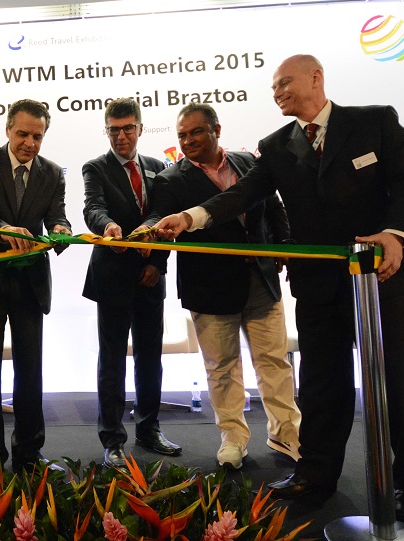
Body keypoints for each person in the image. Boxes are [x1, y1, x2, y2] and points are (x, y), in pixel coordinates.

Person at [155, 54, 404, 524]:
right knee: (322, 388)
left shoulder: (374, 122)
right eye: (273, 87)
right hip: (319, 288)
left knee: (401, 385)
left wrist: (396, 234)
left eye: (285, 82)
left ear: (316, 78)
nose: (277, 92)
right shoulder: (277, 145)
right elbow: (240, 196)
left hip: (383, 281)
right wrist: (190, 218)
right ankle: (315, 474)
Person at [152, 103, 301, 470]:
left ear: (216, 129)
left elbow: (274, 205)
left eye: (195, 132)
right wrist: (148, 235)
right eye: (182, 135)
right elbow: (158, 218)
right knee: (221, 368)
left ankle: (287, 435)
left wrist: (284, 245)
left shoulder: (249, 162)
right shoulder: (171, 179)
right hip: (210, 288)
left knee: (275, 364)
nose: (187, 141)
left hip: (261, 282)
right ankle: (233, 438)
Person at [0, 99, 72, 473]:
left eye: (37, 136)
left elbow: (57, 214)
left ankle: (29, 455)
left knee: (30, 373)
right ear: (8, 130)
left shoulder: (53, 172)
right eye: (22, 134)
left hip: (29, 286)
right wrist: (3, 230)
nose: (29, 143)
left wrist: (61, 230)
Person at [82, 98, 181, 469]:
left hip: (150, 276)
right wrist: (107, 226)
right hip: (112, 276)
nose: (121, 136)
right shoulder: (95, 167)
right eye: (113, 129)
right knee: (112, 361)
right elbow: (93, 207)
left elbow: (164, 215)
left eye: (127, 128)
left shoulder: (158, 168)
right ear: (106, 130)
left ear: (140, 128)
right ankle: (112, 439)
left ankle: (149, 429)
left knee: (150, 358)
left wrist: (156, 260)